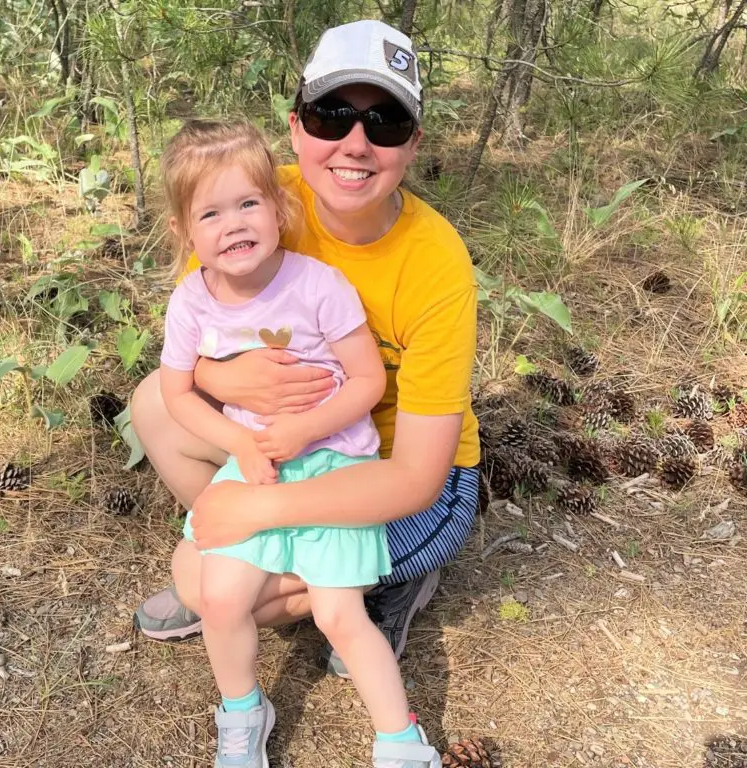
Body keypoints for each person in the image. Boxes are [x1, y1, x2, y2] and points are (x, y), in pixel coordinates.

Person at [133, 17, 480, 766]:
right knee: (151, 405)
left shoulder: (435, 264)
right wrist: (226, 380)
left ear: (413, 142)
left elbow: (416, 475)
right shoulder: (263, 201)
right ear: (295, 130)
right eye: (332, 116)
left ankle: (393, 585)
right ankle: (243, 556)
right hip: (283, 449)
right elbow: (197, 336)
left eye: (385, 121)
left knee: (237, 596)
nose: (355, 144)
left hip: (403, 472)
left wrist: (259, 503)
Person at [158, 118, 436, 768]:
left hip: (336, 464)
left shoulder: (317, 285)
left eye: (248, 203)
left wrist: (306, 427)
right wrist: (240, 442)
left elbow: (367, 379)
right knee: (220, 596)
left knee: (341, 615)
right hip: (255, 463)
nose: (234, 225)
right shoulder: (191, 302)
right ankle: (242, 711)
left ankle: (401, 741)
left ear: (279, 207)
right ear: (185, 231)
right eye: (212, 212)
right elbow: (176, 393)